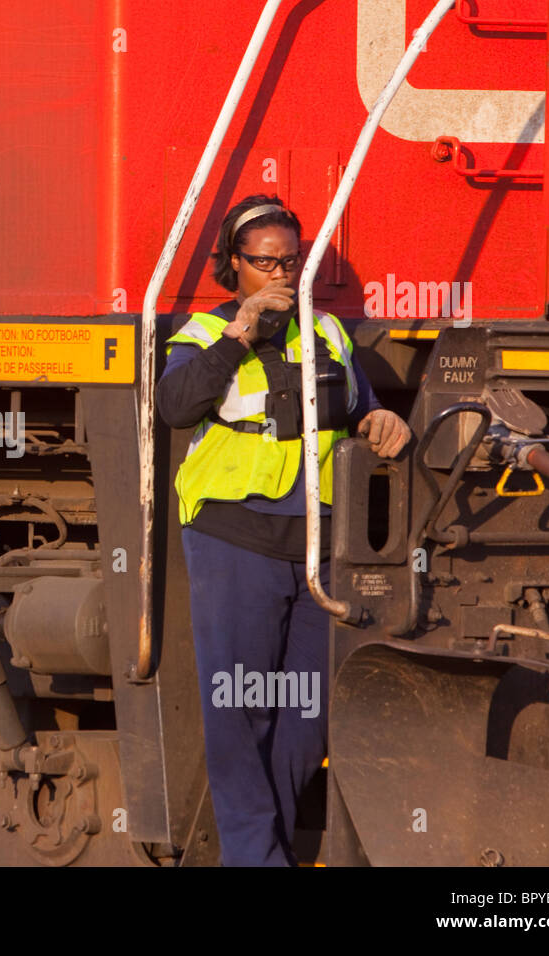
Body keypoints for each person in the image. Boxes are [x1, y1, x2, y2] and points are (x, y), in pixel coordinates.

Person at [156, 195, 410, 866]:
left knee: (307, 717)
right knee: (240, 714)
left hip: (317, 546)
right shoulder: (202, 333)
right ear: (232, 264)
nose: (279, 274)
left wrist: (383, 424)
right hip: (232, 537)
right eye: (264, 262)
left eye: (290, 261)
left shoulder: (326, 331)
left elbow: (361, 407)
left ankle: (265, 850)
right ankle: (256, 860)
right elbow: (176, 406)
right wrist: (240, 331)